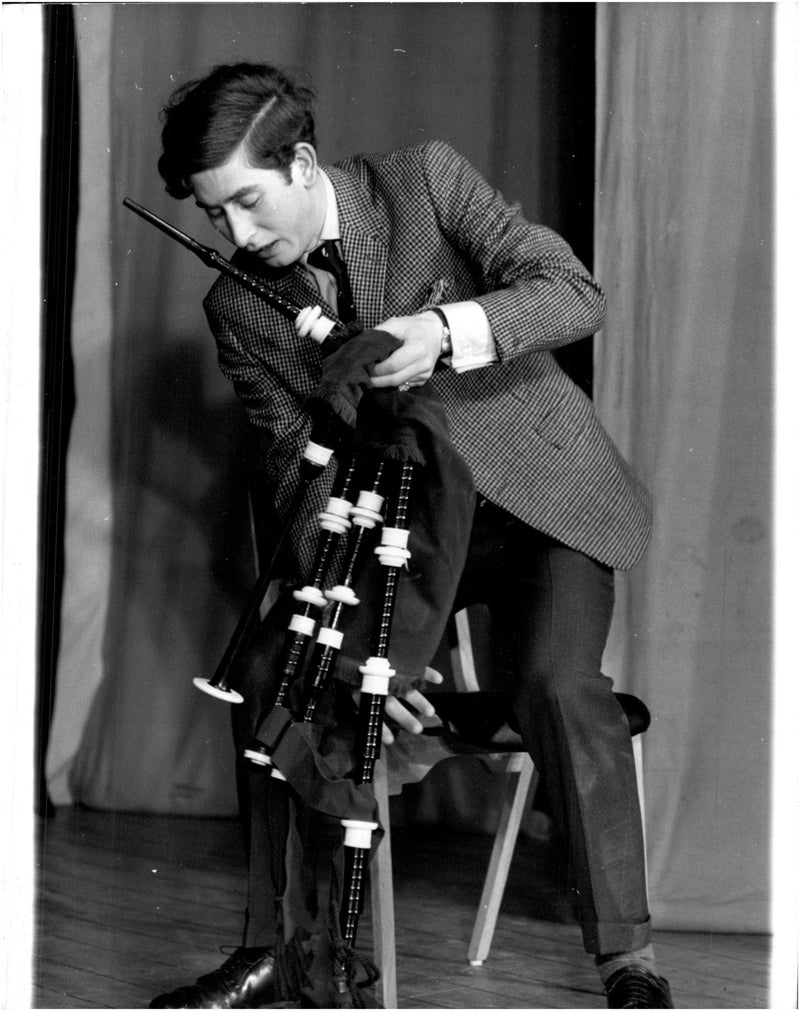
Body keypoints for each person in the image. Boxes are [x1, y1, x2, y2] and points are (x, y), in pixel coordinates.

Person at [148, 62, 674, 1010]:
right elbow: (294, 481)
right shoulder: (238, 307)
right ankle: (279, 950)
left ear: (303, 163)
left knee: (557, 682)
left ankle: (626, 962)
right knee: (271, 675)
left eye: (251, 204)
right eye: (213, 215)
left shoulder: (422, 180)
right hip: (404, 539)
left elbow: (572, 291)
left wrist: (448, 326)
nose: (237, 235)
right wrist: (364, 647)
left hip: (537, 506)